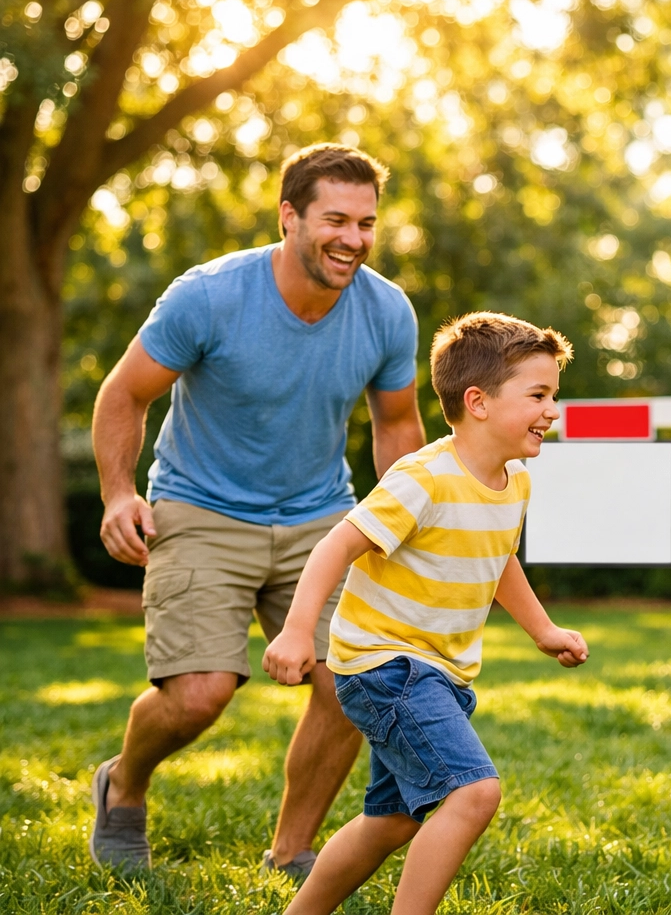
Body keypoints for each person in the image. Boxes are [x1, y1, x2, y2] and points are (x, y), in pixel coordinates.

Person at [89, 144, 426, 875]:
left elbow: (397, 424)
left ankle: (290, 850)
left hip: (319, 516)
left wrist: (400, 522)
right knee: (198, 696)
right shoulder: (209, 296)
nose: (354, 238)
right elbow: (125, 393)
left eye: (366, 222)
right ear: (289, 217)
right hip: (201, 507)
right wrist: (120, 492)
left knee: (354, 685)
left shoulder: (386, 310)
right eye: (335, 219)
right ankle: (124, 785)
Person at [263, 311, 589, 915]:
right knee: (473, 792)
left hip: (440, 674)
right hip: (386, 667)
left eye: (554, 395)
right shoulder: (423, 478)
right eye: (538, 395)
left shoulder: (513, 481)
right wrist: (294, 631)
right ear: (478, 401)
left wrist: (542, 629)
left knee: (389, 823)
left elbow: (498, 559)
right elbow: (338, 543)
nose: (553, 411)